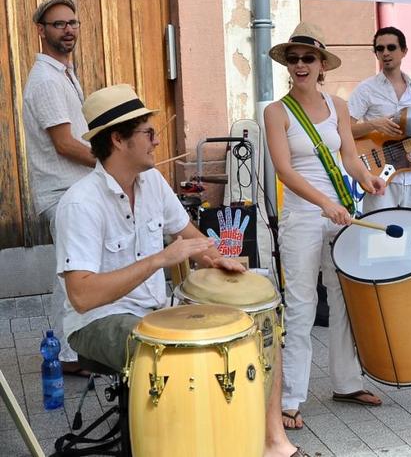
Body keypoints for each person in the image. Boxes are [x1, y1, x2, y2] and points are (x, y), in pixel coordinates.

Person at [57, 85, 304, 457]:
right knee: (179, 353)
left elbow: (190, 236)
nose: (157, 141)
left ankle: (272, 442)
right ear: (118, 140)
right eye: (148, 133)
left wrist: (217, 259)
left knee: (257, 327)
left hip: (156, 312)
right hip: (98, 320)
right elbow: (82, 296)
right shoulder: (80, 203)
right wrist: (159, 259)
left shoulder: (152, 182)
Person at [264, 22, 386, 431]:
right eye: (293, 58)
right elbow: (284, 170)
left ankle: (346, 383)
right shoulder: (276, 112)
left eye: (308, 58)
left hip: (340, 213)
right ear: (288, 64)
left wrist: (367, 179)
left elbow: (349, 157)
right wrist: (324, 204)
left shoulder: (339, 107)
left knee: (344, 298)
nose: (300, 64)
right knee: (301, 306)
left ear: (321, 65)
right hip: (303, 216)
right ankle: (290, 399)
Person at [22, 0, 95, 376]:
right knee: (72, 275)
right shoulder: (47, 80)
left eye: (72, 23)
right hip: (63, 193)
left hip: (74, 190)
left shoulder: (62, 73)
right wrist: (110, 162)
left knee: (75, 272)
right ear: (41, 31)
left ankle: (73, 349)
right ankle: (67, 356)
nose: (68, 30)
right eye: (58, 24)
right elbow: (65, 144)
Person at [348, 26, 411, 212]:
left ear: (404, 51)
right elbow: (344, 130)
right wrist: (373, 124)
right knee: (381, 229)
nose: (385, 53)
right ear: (376, 53)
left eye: (391, 47)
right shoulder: (366, 89)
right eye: (380, 49)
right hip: (379, 177)